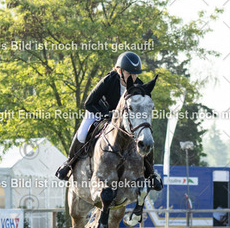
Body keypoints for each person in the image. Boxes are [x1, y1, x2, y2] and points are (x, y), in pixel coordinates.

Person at [55, 52, 162, 191]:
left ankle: (151, 173)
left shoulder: (138, 85)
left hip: (121, 120)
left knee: (145, 136)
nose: (133, 77)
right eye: (129, 73)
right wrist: (107, 114)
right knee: (82, 133)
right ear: (120, 71)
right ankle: (69, 163)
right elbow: (89, 103)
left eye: (135, 74)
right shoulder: (109, 80)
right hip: (98, 111)